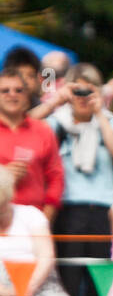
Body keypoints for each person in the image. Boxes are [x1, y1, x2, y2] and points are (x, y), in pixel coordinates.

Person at [47, 64, 113, 296]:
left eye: (88, 91)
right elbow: (25, 124)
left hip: (102, 211)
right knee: (68, 281)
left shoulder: (112, 122)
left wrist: (99, 113)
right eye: (77, 91)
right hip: (69, 209)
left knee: (100, 286)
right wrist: (55, 101)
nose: (83, 98)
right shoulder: (57, 123)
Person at [0, 65, 63, 221]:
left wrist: (45, 218)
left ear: (27, 95)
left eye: (18, 90)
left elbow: (56, 177)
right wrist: (3, 175)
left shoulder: (43, 131)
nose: (12, 95)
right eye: (5, 90)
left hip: (33, 219)